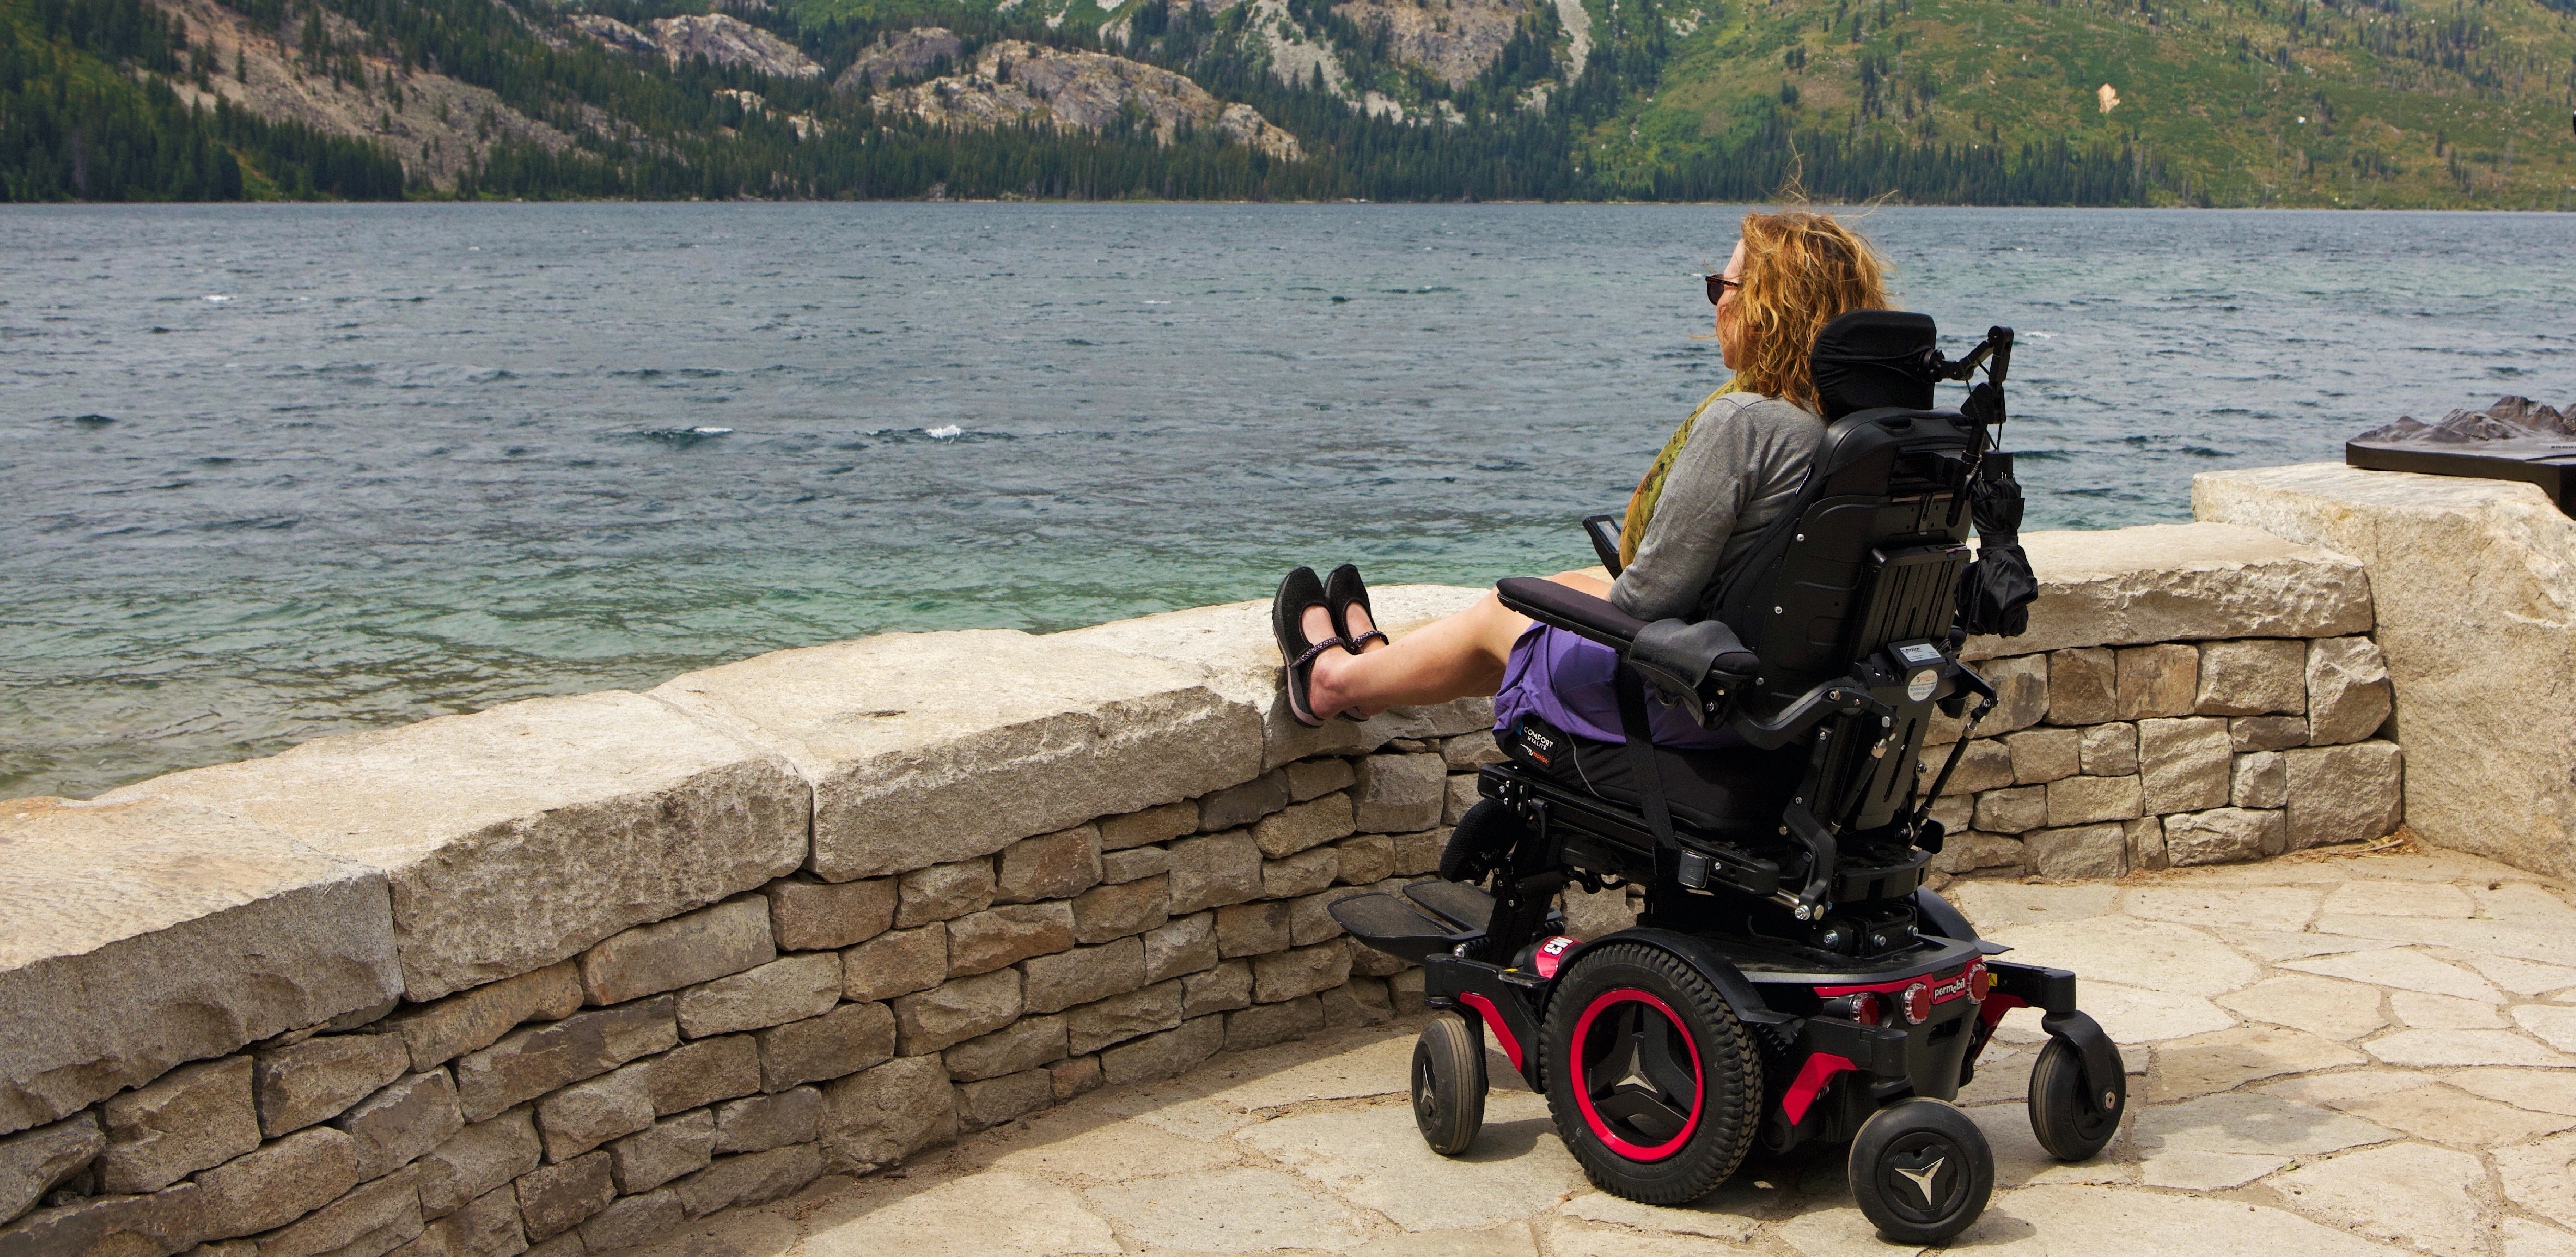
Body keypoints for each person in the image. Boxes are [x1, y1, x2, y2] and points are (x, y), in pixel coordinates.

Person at [1273, 210, 1894, 748]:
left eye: (1720, 286)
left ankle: (1330, 684)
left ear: (1765, 310)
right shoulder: (1855, 428)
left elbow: (1646, 604)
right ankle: (1377, 677)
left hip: (1693, 704)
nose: (1716, 303)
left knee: (1508, 607)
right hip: (1789, 697)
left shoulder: (1748, 424)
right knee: (1567, 586)